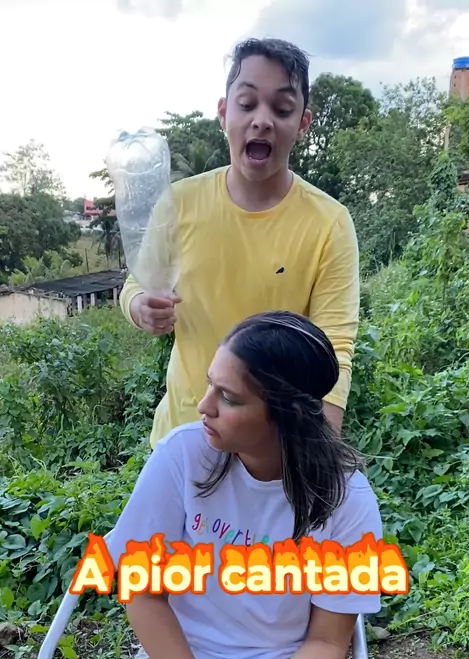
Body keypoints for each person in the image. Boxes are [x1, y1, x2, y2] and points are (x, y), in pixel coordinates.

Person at [103, 311, 383, 659]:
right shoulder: (183, 456)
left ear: (285, 416)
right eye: (211, 385)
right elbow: (143, 592)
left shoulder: (345, 501)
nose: (204, 406)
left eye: (229, 398)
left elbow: (328, 641)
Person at [119, 37, 360, 442]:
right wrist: (139, 306)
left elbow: (334, 348)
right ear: (223, 113)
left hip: (271, 445)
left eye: (281, 109)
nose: (262, 120)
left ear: (303, 124)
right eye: (247, 104)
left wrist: (323, 455)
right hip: (183, 437)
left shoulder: (329, 223)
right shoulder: (179, 202)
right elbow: (137, 284)